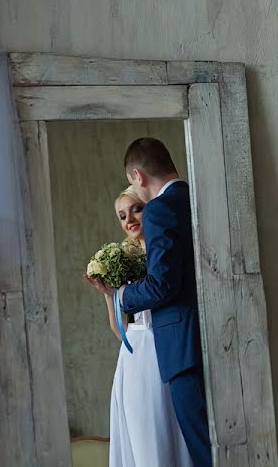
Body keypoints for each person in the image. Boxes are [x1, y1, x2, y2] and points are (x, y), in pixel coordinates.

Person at [90, 138, 212, 467]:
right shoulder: (201, 196)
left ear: (137, 175)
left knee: (202, 452)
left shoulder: (160, 208)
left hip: (180, 349)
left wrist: (122, 295)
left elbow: (163, 285)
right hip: (208, 338)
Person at [84, 186, 194, 467]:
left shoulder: (165, 253)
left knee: (175, 434)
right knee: (144, 438)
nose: (129, 219)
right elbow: (119, 329)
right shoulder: (120, 260)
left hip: (169, 348)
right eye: (122, 216)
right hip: (135, 359)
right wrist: (110, 295)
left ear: (149, 207)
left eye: (136, 208)